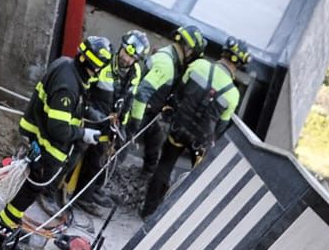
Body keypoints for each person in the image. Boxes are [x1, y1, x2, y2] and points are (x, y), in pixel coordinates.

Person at [0, 36, 112, 232]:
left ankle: (9, 218)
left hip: (38, 133)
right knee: (33, 185)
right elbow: (58, 128)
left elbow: (75, 107)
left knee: (29, 184)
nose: (98, 73)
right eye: (98, 69)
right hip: (46, 143)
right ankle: (5, 223)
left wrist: (97, 117)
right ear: (91, 64)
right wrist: (83, 133)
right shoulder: (68, 86)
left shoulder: (68, 67)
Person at [141, 36, 246, 220]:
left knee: (165, 165)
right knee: (195, 179)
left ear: (223, 53)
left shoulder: (199, 65)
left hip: (178, 128)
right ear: (239, 65)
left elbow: (178, 92)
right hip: (201, 141)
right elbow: (220, 128)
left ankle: (148, 212)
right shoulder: (233, 94)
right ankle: (177, 218)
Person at [75, 29, 151, 217]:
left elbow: (128, 100)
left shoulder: (135, 72)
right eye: (126, 53)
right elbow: (85, 89)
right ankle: (68, 194)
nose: (127, 59)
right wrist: (92, 113)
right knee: (82, 154)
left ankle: (88, 193)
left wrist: (124, 126)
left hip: (111, 123)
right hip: (91, 117)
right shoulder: (105, 62)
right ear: (122, 47)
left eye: (132, 57)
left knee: (105, 157)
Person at [127, 23, 205, 176]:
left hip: (147, 112)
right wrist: (134, 124)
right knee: (120, 149)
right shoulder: (167, 65)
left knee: (155, 138)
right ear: (188, 49)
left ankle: (146, 175)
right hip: (138, 111)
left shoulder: (168, 55)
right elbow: (142, 93)